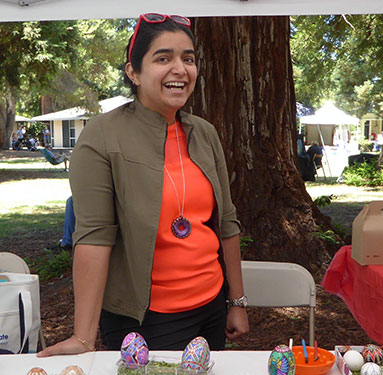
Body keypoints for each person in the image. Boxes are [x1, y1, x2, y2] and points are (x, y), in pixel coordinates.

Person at [38, 13, 249, 357]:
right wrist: (83, 337)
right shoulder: (102, 135)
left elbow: (227, 222)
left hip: (211, 308)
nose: (180, 69)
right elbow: (93, 237)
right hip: (144, 321)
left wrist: (235, 302)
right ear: (133, 72)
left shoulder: (204, 133)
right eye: (163, 58)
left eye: (188, 59)